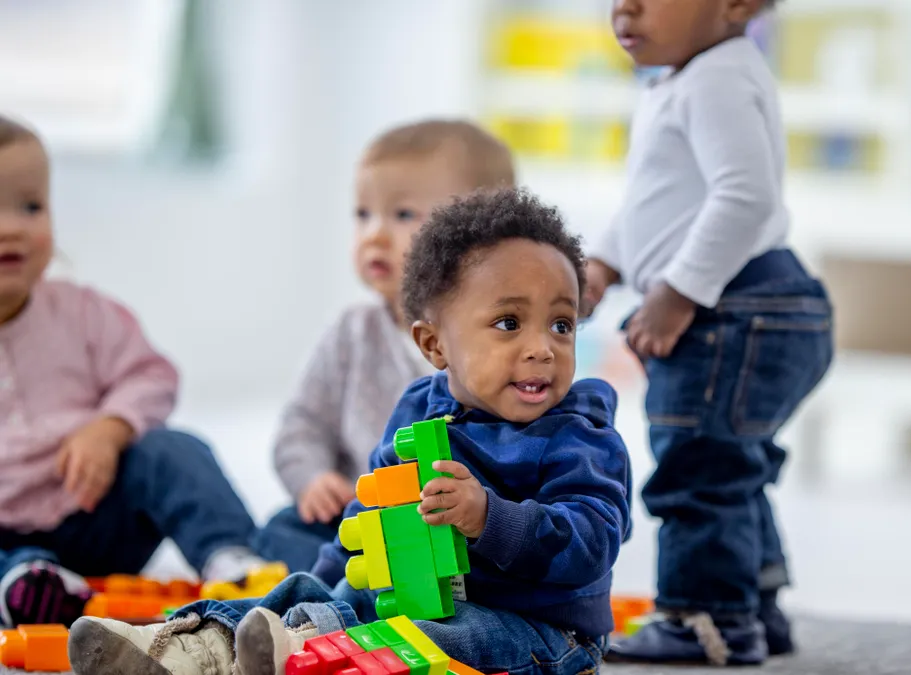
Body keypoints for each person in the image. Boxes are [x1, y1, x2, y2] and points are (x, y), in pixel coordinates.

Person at [68, 188, 633, 675]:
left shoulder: (581, 435)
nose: (542, 347)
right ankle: (192, 644)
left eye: (562, 324)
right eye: (509, 323)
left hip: (542, 633)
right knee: (307, 592)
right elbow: (369, 520)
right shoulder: (419, 410)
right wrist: (327, 585)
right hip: (414, 599)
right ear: (435, 345)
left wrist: (490, 517)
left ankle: (306, 649)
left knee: (443, 637)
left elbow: (592, 542)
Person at [583, 0, 834, 665]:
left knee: (698, 464)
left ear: (737, 6)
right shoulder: (682, 79)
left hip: (734, 308)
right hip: (758, 306)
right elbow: (653, 199)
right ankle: (754, 604)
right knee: (729, 463)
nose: (624, 8)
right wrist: (605, 264)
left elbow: (744, 195)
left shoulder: (716, 77)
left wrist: (677, 291)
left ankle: (706, 616)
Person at [0, 115, 268, 629]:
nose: (15, 226)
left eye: (32, 206)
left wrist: (110, 427)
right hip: (8, 540)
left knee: (172, 449)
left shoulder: (82, 313)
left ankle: (231, 557)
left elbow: (151, 375)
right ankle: (26, 585)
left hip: (96, 515)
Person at [254, 120, 517, 573]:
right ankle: (354, 582)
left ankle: (361, 587)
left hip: (452, 523)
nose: (374, 234)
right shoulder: (351, 333)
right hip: (361, 521)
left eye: (402, 215)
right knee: (280, 532)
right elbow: (302, 424)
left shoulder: (495, 337)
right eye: (362, 215)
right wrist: (314, 478)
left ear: (481, 238)